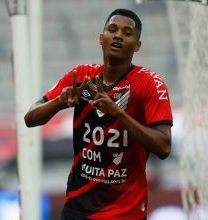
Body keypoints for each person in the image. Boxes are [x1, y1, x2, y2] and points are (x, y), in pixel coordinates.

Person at [24, 8, 173, 220]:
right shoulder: (82, 77)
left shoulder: (149, 84)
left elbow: (164, 146)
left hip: (126, 212)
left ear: (137, 45)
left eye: (127, 32)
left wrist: (118, 113)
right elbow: (30, 118)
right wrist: (59, 102)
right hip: (79, 209)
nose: (118, 35)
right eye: (112, 30)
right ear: (101, 39)